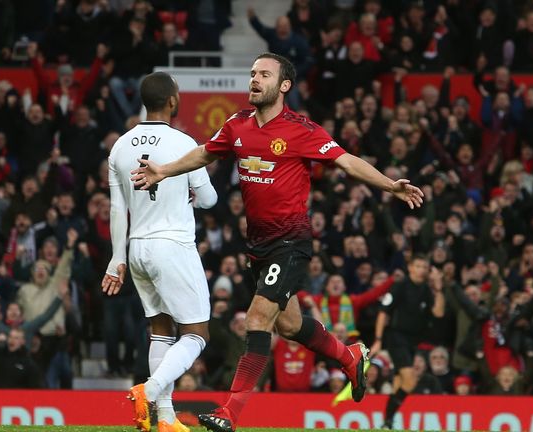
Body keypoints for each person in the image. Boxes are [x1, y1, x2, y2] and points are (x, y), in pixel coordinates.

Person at [131, 53, 423, 432]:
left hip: (291, 242)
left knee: (257, 319)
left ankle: (229, 413)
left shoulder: (302, 130)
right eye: (252, 73)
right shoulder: (237, 125)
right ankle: (349, 356)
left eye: (264, 74)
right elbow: (205, 152)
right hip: (259, 246)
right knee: (289, 325)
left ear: (284, 85)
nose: (254, 79)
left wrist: (390, 185)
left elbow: (347, 161)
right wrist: (163, 171)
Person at [101, 71, 218, 432]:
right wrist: (192, 195)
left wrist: (115, 258)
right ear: (172, 100)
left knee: (161, 331)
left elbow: (118, 209)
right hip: (173, 244)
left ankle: (165, 419)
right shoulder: (184, 142)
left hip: (137, 248)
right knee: (197, 334)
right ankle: (149, 392)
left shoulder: (120, 146)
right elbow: (211, 199)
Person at [376, 256, 445, 429]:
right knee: (411, 381)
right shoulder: (400, 286)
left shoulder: (427, 290)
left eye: (424, 266)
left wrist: (438, 290)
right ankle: (388, 420)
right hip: (397, 337)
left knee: (399, 383)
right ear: (410, 268)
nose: (421, 269)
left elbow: (438, 313)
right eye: (418, 265)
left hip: (413, 342)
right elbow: (383, 312)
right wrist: (378, 339)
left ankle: (387, 423)